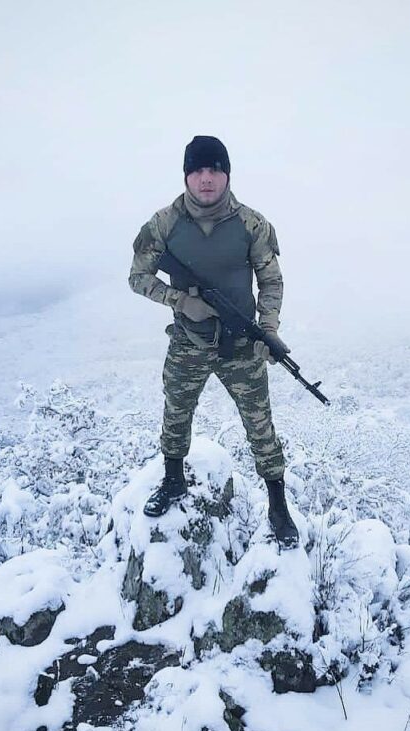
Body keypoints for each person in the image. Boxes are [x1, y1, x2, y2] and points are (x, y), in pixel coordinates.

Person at [129, 135, 299, 548]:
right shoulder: (163, 224)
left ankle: (278, 505)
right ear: (187, 175)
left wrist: (268, 329)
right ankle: (173, 481)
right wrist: (180, 301)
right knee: (176, 412)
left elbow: (271, 280)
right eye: (198, 170)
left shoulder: (251, 224)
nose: (206, 179)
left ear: (226, 174)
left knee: (260, 426)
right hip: (189, 340)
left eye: (215, 170)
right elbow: (138, 278)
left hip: (241, 344)